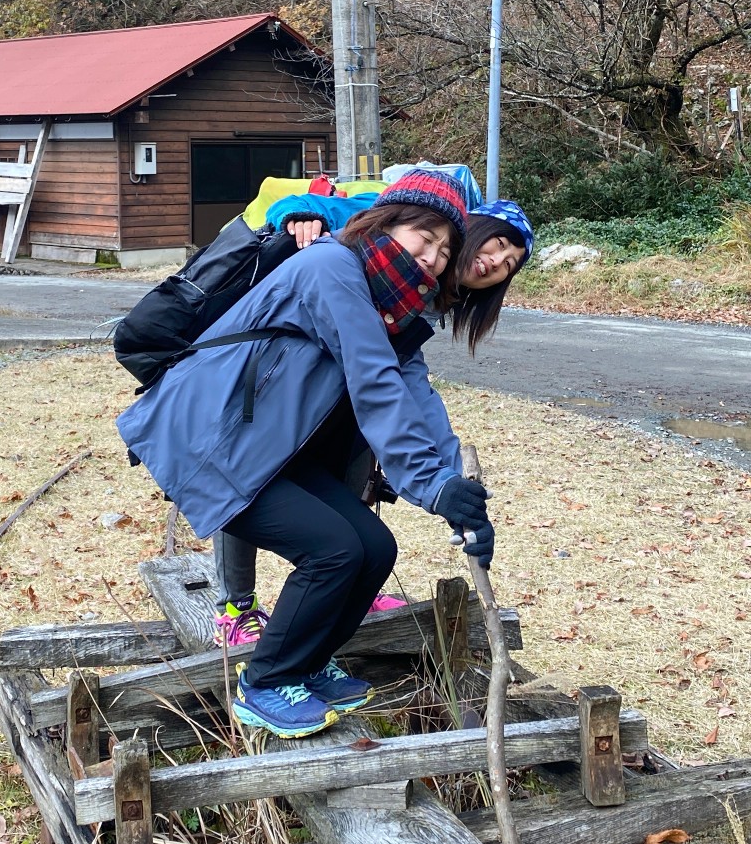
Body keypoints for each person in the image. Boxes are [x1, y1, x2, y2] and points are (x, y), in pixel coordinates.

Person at [116, 169, 494, 737]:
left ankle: (308, 665)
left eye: (446, 251)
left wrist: (451, 488)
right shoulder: (332, 268)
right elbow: (375, 383)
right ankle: (265, 683)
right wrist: (431, 487)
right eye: (427, 237)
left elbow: (416, 393)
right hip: (208, 442)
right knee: (336, 550)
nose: (436, 258)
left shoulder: (389, 305)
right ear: (387, 222)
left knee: (374, 546)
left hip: (258, 447)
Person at [211, 184, 534, 645]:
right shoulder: (412, 226)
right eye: (498, 243)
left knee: (354, 482)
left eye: (508, 266)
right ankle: (235, 606)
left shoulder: (432, 287)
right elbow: (312, 206)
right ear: (475, 227)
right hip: (270, 382)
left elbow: (411, 387)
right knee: (250, 482)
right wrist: (298, 216)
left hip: (337, 396)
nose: (496, 262)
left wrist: (451, 481)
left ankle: (352, 587)